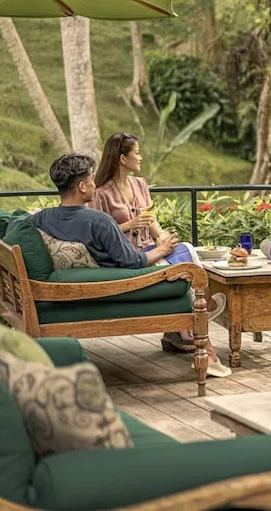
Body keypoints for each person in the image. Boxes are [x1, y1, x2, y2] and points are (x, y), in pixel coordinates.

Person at [34, 153, 229, 377]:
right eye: (91, 179)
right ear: (81, 186)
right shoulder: (99, 221)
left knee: (180, 252)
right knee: (186, 250)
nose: (94, 184)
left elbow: (17, 223)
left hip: (93, 276)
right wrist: (162, 249)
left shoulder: (43, 218)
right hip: (122, 281)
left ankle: (186, 333)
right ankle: (201, 323)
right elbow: (134, 262)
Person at [90, 133, 226, 366]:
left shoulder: (140, 184)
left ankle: (190, 322)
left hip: (152, 249)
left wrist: (164, 239)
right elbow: (100, 237)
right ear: (122, 158)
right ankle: (197, 315)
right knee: (185, 259)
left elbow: (152, 222)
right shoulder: (100, 194)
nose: (141, 158)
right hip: (128, 258)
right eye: (137, 152)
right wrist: (128, 225)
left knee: (187, 249)